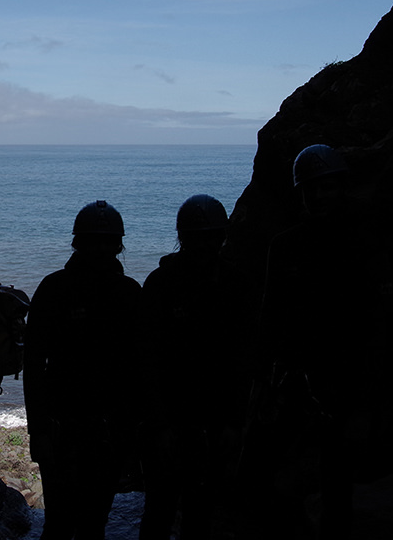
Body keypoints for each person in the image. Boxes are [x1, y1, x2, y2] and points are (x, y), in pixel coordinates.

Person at [248, 145, 391, 540]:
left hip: (343, 382)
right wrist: (261, 381)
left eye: (326, 187)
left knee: (336, 486)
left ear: (341, 187)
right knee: (269, 475)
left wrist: (364, 405)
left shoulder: (363, 243)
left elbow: (376, 324)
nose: (319, 195)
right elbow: (270, 316)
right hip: (295, 380)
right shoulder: (287, 246)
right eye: (313, 189)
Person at [24, 200, 143, 540]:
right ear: (79, 244)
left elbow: (140, 367)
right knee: (64, 522)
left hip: (106, 427)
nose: (103, 249)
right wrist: (39, 432)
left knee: (90, 521)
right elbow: (33, 365)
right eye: (96, 241)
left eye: (107, 242)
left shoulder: (125, 292)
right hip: (66, 426)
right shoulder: (58, 289)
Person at [138, 194, 240, 540]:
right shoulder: (161, 285)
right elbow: (148, 361)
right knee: (161, 510)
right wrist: (159, 425)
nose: (205, 245)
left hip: (211, 420)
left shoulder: (230, 283)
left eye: (211, 237)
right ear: (183, 239)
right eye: (198, 237)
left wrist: (231, 422)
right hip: (173, 419)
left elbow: (241, 359)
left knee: (198, 512)